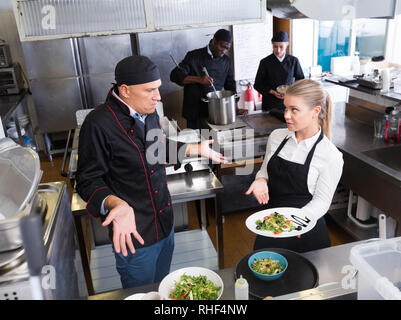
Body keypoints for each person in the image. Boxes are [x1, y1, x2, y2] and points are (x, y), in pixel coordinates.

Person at [76, 55, 227, 288]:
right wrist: (116, 204)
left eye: (158, 89)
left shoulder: (149, 112)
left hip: (165, 224)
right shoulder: (98, 124)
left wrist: (194, 148)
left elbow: (155, 149)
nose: (157, 96)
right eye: (149, 90)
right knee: (142, 290)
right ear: (125, 90)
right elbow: (86, 180)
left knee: (161, 287)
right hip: (135, 236)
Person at [245, 79, 343, 253]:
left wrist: (297, 220)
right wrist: (260, 179)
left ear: (316, 111)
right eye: (286, 108)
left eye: (294, 110)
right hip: (272, 224)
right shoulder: (277, 137)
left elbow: (322, 201)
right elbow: (265, 170)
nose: (286, 115)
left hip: (306, 230)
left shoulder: (330, 155)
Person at [170, 28, 237, 129]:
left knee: (212, 142)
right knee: (196, 141)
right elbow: (175, 76)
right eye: (222, 46)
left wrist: (236, 107)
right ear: (213, 41)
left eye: (227, 48)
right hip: (194, 111)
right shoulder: (194, 56)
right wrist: (199, 79)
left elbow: (230, 85)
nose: (224, 51)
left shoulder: (226, 61)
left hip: (216, 111)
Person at [254, 30, 304, 122]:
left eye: (281, 46)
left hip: (289, 103)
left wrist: (291, 91)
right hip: (270, 104)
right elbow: (257, 84)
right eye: (275, 47)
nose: (278, 50)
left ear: (287, 44)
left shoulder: (293, 61)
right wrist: (272, 92)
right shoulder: (265, 62)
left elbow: (300, 81)